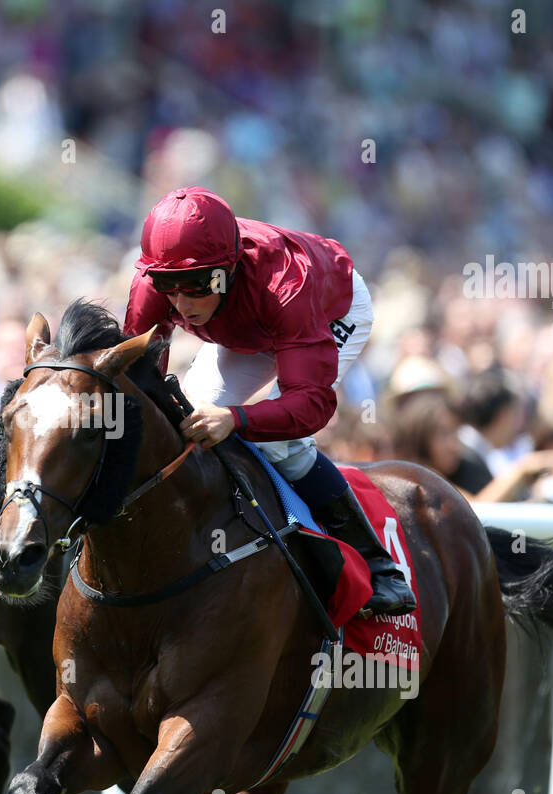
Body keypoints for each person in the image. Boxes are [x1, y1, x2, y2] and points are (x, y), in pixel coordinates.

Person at [124, 187, 416, 615]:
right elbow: (137, 382)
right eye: (168, 286)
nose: (181, 306)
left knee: (276, 441)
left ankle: (378, 564)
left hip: (327, 311)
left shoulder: (287, 284)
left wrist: (236, 418)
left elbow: (311, 405)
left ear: (227, 269)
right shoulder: (154, 283)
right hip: (246, 324)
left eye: (196, 285)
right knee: (185, 424)